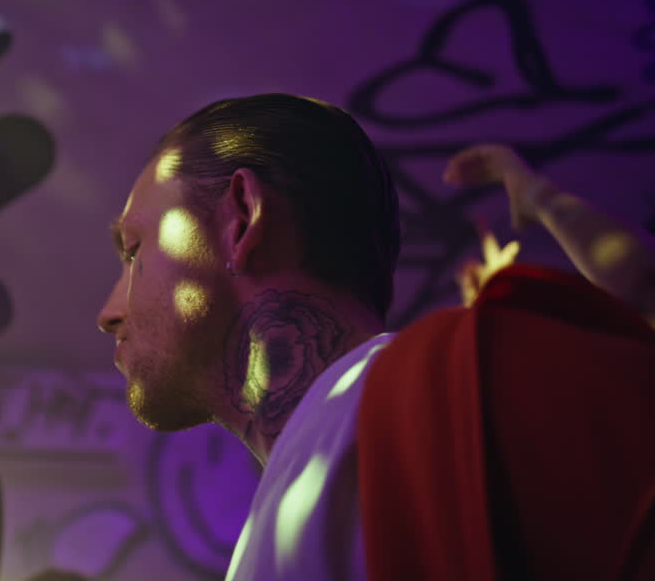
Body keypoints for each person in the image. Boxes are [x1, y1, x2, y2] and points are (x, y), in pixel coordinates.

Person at [86, 93, 653, 580]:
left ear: (241, 216)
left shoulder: (468, 381)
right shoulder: (309, 489)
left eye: (134, 250)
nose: (109, 313)